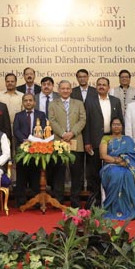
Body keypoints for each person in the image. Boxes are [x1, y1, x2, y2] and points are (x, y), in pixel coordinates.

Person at [99, 117, 135, 220]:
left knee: (130, 175)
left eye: (118, 124)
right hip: (110, 166)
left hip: (127, 166)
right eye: (114, 124)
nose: (116, 126)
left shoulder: (128, 140)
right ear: (111, 126)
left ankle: (130, 210)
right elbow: (103, 156)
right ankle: (111, 208)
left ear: (122, 127)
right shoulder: (106, 139)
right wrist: (118, 161)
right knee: (116, 174)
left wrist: (126, 161)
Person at [84, 77, 124, 201]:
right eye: (99, 84)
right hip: (95, 140)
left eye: (104, 85)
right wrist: (87, 141)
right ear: (96, 86)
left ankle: (111, 198)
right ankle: (95, 200)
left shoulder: (115, 101)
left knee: (112, 169)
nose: (101, 86)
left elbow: (120, 121)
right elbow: (86, 122)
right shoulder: (89, 101)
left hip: (112, 139)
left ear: (108, 87)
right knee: (94, 171)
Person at [49, 79, 86, 207]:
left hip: (76, 141)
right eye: (62, 88)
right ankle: (58, 201)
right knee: (59, 172)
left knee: (76, 173)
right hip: (59, 140)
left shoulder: (79, 103)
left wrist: (72, 133)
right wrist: (63, 134)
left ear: (71, 90)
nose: (65, 90)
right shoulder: (53, 104)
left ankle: (75, 201)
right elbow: (52, 121)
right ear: (59, 90)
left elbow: (82, 120)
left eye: (67, 88)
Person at [12, 93, 47, 206]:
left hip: (37, 149)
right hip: (22, 149)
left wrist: (34, 140)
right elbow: (16, 130)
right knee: (21, 176)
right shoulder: (18, 115)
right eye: (26, 100)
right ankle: (21, 201)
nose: (28, 102)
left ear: (34, 102)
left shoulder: (41, 115)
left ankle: (36, 201)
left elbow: (42, 129)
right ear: (23, 103)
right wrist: (24, 140)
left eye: (30, 100)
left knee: (35, 175)